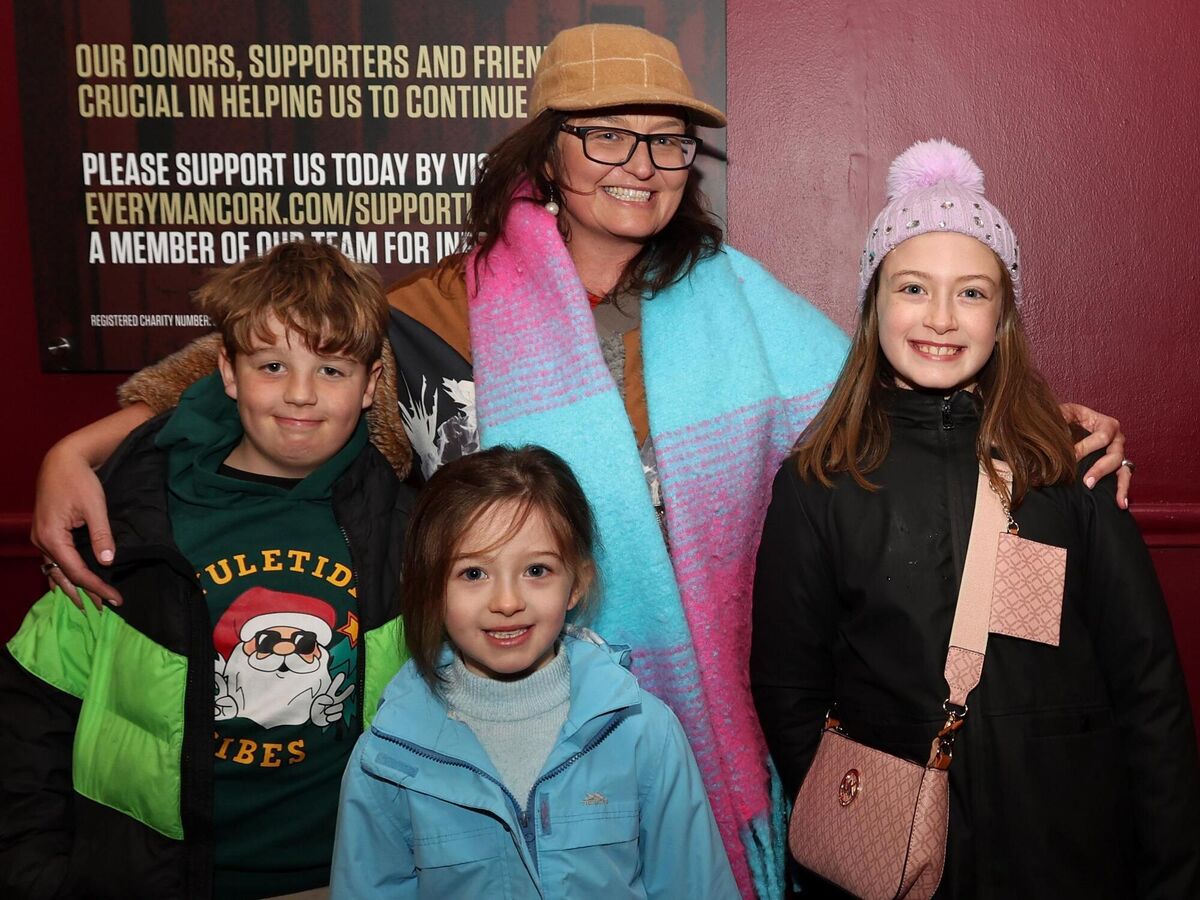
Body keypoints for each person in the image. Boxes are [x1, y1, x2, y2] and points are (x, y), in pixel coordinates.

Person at [28, 25, 1130, 897]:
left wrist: (1042, 421)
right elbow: (267, 366)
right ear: (546, 150)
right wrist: (78, 446)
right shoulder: (447, 306)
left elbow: (897, 372)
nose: (641, 165)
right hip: (506, 707)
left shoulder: (730, 298)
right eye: (607, 134)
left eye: (665, 140)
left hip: (713, 702)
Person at [750, 140, 1200, 898]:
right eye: (914, 288)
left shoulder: (1071, 468)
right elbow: (788, 689)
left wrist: (1173, 876)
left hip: (1071, 857)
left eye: (972, 293)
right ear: (874, 304)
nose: (940, 318)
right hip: (897, 869)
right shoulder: (819, 481)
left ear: (1004, 316)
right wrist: (862, 822)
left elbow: (1148, 686)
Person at [0, 241, 416, 899]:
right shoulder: (133, 519)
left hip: (351, 876)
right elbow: (33, 708)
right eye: (272, 365)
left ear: (369, 387)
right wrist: (36, 874)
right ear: (227, 372)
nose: (301, 396)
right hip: (161, 877)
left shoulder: (404, 528)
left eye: (332, 371)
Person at [330, 444, 738, 899]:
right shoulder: (388, 756)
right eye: (473, 574)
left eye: (536, 570)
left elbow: (695, 886)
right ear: (431, 587)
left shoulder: (643, 731)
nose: (507, 602)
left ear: (576, 583)